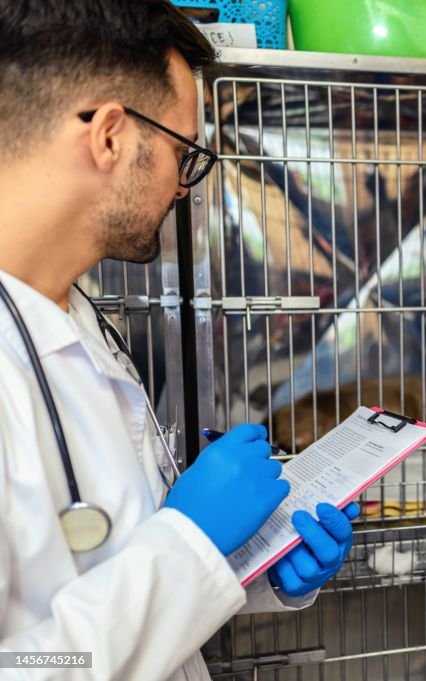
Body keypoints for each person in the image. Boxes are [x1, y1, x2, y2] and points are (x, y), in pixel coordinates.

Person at [0, 2, 357, 679]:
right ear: (109, 136)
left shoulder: (79, 317)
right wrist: (190, 539)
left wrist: (258, 559)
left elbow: (121, 567)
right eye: (182, 152)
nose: (183, 185)